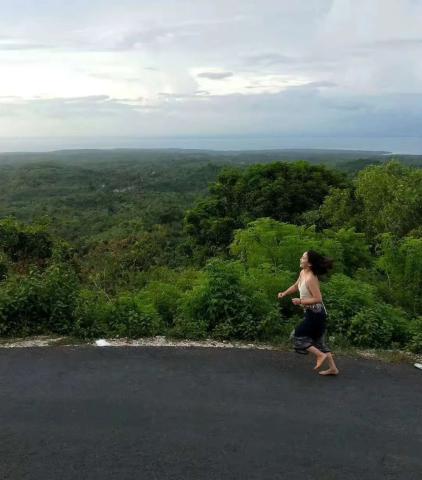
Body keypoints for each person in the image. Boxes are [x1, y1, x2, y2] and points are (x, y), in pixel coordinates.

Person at [278, 250, 339, 376]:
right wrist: (284, 293)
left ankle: (320, 355)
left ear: (310, 263)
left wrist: (301, 300)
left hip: (316, 314)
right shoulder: (303, 272)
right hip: (313, 313)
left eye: (303, 257)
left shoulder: (311, 278)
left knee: (297, 336)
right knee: (319, 342)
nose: (300, 259)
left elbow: (318, 298)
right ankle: (333, 368)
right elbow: (296, 286)